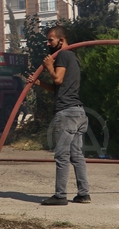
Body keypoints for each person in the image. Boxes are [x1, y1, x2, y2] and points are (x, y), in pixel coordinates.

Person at [27, 25, 90, 205]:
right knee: (76, 155)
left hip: (67, 113)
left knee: (61, 155)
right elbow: (58, 87)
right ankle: (84, 193)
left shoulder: (62, 54)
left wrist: (48, 66)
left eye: (50, 40)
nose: (48, 43)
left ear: (61, 40)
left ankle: (60, 195)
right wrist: (39, 83)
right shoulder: (73, 57)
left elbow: (58, 79)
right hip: (78, 112)